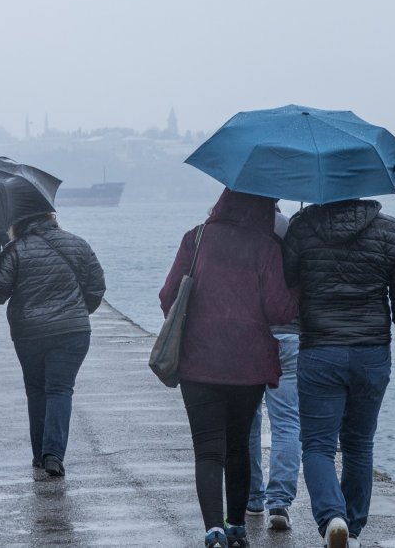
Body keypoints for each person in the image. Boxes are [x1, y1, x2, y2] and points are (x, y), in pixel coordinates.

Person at [159, 189, 298, 548]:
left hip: (198, 362)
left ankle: (213, 530)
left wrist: (195, 327)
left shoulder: (197, 237)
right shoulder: (266, 246)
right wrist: (296, 283)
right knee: (238, 446)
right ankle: (236, 527)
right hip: (248, 366)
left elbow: (167, 295)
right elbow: (280, 310)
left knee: (207, 450)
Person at [283, 199, 395, 548]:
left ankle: (333, 517)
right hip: (371, 352)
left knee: (317, 445)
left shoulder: (303, 227)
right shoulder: (394, 233)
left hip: (320, 350)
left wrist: (301, 229)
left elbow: (285, 281)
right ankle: (354, 530)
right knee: (360, 445)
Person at [0, 212, 105, 478]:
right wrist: (78, 311)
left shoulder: (15, 249)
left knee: (36, 389)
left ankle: (40, 454)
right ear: (51, 216)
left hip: (29, 332)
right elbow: (97, 286)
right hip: (72, 331)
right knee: (61, 389)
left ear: (18, 221)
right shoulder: (78, 244)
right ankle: (54, 454)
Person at [246, 205, 302, 530]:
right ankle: (279, 503)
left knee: (248, 422)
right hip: (290, 335)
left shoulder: (239, 232)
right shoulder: (293, 231)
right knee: (286, 423)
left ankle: (253, 499)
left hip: (250, 337)